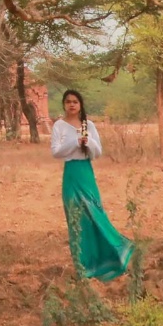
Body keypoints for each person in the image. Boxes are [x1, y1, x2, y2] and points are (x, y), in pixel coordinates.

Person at [50, 89, 133, 281]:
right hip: (71, 174)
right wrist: (75, 143)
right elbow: (56, 152)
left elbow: (97, 153)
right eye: (68, 101)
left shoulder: (89, 125)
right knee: (76, 218)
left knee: (95, 213)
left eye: (75, 102)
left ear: (80, 105)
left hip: (86, 173)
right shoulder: (59, 126)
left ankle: (114, 252)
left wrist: (88, 143)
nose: (72, 105)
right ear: (64, 104)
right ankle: (83, 266)